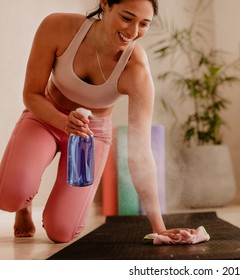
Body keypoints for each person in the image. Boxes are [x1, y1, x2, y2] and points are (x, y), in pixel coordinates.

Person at [0, 0, 194, 243]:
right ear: (105, 4)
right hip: (45, 117)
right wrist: (63, 122)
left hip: (91, 136)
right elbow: (32, 94)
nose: (133, 32)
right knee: (8, 196)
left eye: (144, 24)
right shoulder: (58, 27)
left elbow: (140, 152)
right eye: (127, 17)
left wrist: (159, 227)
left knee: (61, 231)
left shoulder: (136, 70)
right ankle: (23, 204)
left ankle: (43, 206)